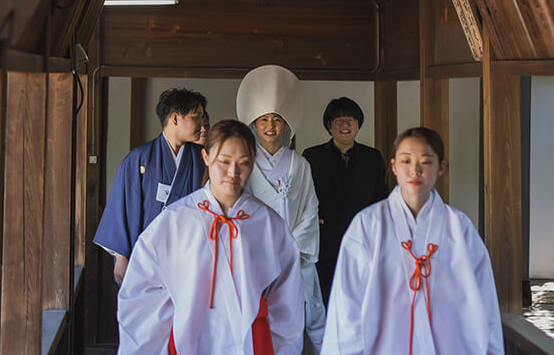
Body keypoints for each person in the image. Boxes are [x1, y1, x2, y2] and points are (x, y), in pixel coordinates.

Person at [118, 120, 305, 355]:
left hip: (251, 341)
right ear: (206, 157)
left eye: (244, 163)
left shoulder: (268, 224)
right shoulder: (176, 220)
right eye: (224, 161)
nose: (233, 173)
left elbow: (288, 299)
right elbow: (141, 289)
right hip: (189, 336)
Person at [321, 127, 503, 355]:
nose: (415, 170)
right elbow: (346, 302)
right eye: (406, 161)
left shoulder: (458, 227)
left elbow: (484, 299)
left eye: (426, 162)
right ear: (394, 166)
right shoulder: (369, 224)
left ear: (441, 168)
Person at [236, 65, 326, 353]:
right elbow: (241, 210)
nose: (270, 126)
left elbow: (311, 209)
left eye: (276, 119)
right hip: (259, 256)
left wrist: (290, 247)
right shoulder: (245, 164)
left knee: (304, 317)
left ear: (286, 124)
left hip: (295, 255)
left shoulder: (300, 164)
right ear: (255, 124)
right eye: (264, 120)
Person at [95, 88, 209, 285]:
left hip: (188, 257)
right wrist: (122, 257)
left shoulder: (202, 159)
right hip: (146, 257)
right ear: (175, 118)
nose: (202, 125)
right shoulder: (139, 159)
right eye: (196, 117)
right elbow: (122, 207)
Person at [302, 97, 389, 303]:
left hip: (362, 236)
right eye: (338, 121)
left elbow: (381, 198)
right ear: (329, 126)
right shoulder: (312, 156)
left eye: (350, 120)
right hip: (326, 238)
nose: (345, 126)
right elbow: (304, 196)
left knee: (362, 293)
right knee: (326, 294)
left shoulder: (372, 156)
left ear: (358, 125)